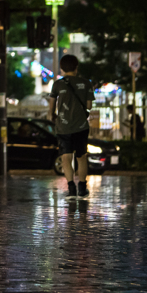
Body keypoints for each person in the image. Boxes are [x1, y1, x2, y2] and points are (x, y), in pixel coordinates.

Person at [49, 54, 95, 198]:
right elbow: (89, 106)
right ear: (76, 67)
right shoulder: (86, 83)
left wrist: (52, 116)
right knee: (81, 157)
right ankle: (82, 187)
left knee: (66, 158)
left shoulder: (57, 84)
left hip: (63, 127)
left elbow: (51, 107)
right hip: (81, 126)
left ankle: (71, 188)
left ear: (62, 68)